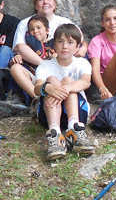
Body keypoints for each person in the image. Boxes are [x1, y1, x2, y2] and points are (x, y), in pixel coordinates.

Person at [33, 24, 94, 161]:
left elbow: (86, 82)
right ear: (54, 44)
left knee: (67, 81)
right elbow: (37, 88)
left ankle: (74, 129)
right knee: (52, 80)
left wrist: (66, 88)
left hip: (78, 114)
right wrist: (48, 88)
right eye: (60, 42)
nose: (64, 46)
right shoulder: (45, 65)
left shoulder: (82, 63)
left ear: (77, 47)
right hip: (48, 115)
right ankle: (55, 135)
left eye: (70, 42)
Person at [12, 0, 79, 73]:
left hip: (61, 65)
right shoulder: (24, 23)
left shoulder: (64, 22)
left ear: (55, 4)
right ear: (36, 5)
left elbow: (78, 41)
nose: (45, 2)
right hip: (33, 67)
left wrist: (84, 46)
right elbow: (19, 47)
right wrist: (45, 65)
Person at [7, 15, 54, 105]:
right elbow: (12, 62)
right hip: (33, 78)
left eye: (38, 28)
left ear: (47, 30)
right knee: (15, 68)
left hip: (50, 79)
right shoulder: (28, 46)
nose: (35, 31)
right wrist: (16, 59)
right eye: (32, 29)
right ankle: (37, 98)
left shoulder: (54, 43)